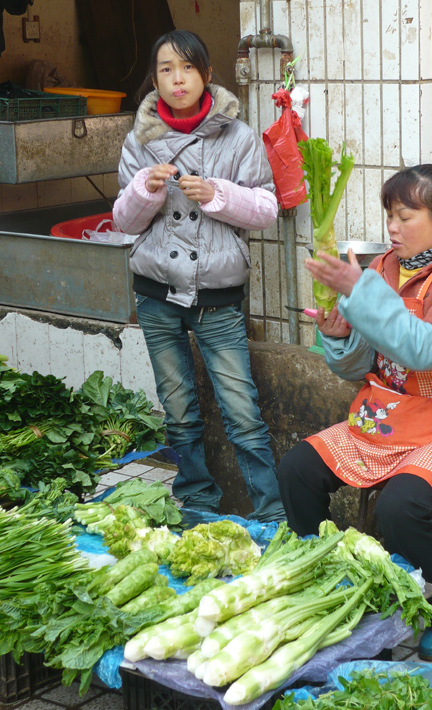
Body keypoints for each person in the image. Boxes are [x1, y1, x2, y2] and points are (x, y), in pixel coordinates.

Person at [277, 164, 432, 660]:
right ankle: (332, 577)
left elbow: (424, 350)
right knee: (297, 469)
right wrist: (338, 337)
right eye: (390, 215)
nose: (393, 227)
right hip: (387, 417)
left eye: (406, 215)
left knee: (400, 507)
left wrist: (359, 292)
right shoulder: (384, 267)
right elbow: (364, 364)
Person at [113, 29, 285, 523]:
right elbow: (123, 221)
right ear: (155, 79)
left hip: (216, 299)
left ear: (207, 75)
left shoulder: (239, 136)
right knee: (179, 410)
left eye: (187, 68)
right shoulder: (139, 140)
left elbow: (268, 209)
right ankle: (197, 505)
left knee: (242, 412)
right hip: (156, 295)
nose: (177, 78)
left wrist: (217, 195)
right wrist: (145, 189)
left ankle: (272, 515)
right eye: (166, 69)